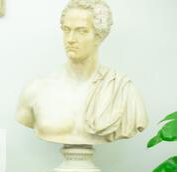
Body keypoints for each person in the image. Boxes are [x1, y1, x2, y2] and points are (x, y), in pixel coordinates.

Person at [15, 0, 148, 145]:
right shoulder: (36, 89)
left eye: (81, 31)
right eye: (66, 30)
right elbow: (24, 118)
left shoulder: (123, 91)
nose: (70, 39)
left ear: (99, 36)